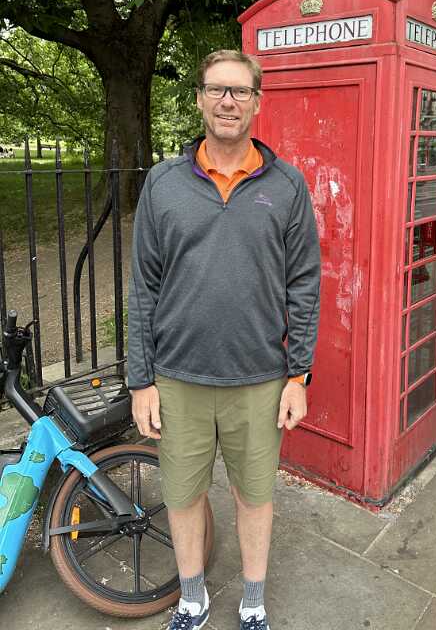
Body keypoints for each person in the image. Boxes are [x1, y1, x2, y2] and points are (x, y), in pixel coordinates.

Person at [127, 49, 321, 630]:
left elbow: (304, 285)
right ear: (199, 100)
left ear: (257, 102)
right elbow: (143, 286)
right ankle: (193, 598)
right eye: (217, 90)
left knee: (253, 497)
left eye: (240, 91)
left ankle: (253, 602)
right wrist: (140, 380)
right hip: (177, 377)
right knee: (183, 496)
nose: (228, 101)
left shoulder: (286, 186)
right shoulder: (163, 183)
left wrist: (298, 375)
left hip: (259, 379)